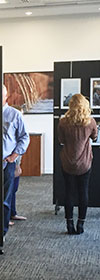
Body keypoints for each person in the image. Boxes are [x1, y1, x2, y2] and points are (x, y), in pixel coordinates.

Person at [58, 93, 97, 235]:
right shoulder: (90, 122)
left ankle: (69, 224)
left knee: (69, 192)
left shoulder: (62, 122)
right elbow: (94, 136)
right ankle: (80, 224)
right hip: (85, 163)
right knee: (83, 192)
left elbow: (61, 140)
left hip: (67, 162)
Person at [2, 85, 29, 236]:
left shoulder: (15, 115)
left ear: (6, 96)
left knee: (6, 198)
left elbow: (24, 137)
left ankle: (2, 232)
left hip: (7, 163)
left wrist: (14, 156)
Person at [9, 106, 27, 224]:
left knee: (13, 189)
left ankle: (12, 213)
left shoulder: (20, 128)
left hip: (15, 163)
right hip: (10, 163)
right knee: (7, 191)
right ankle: (5, 216)